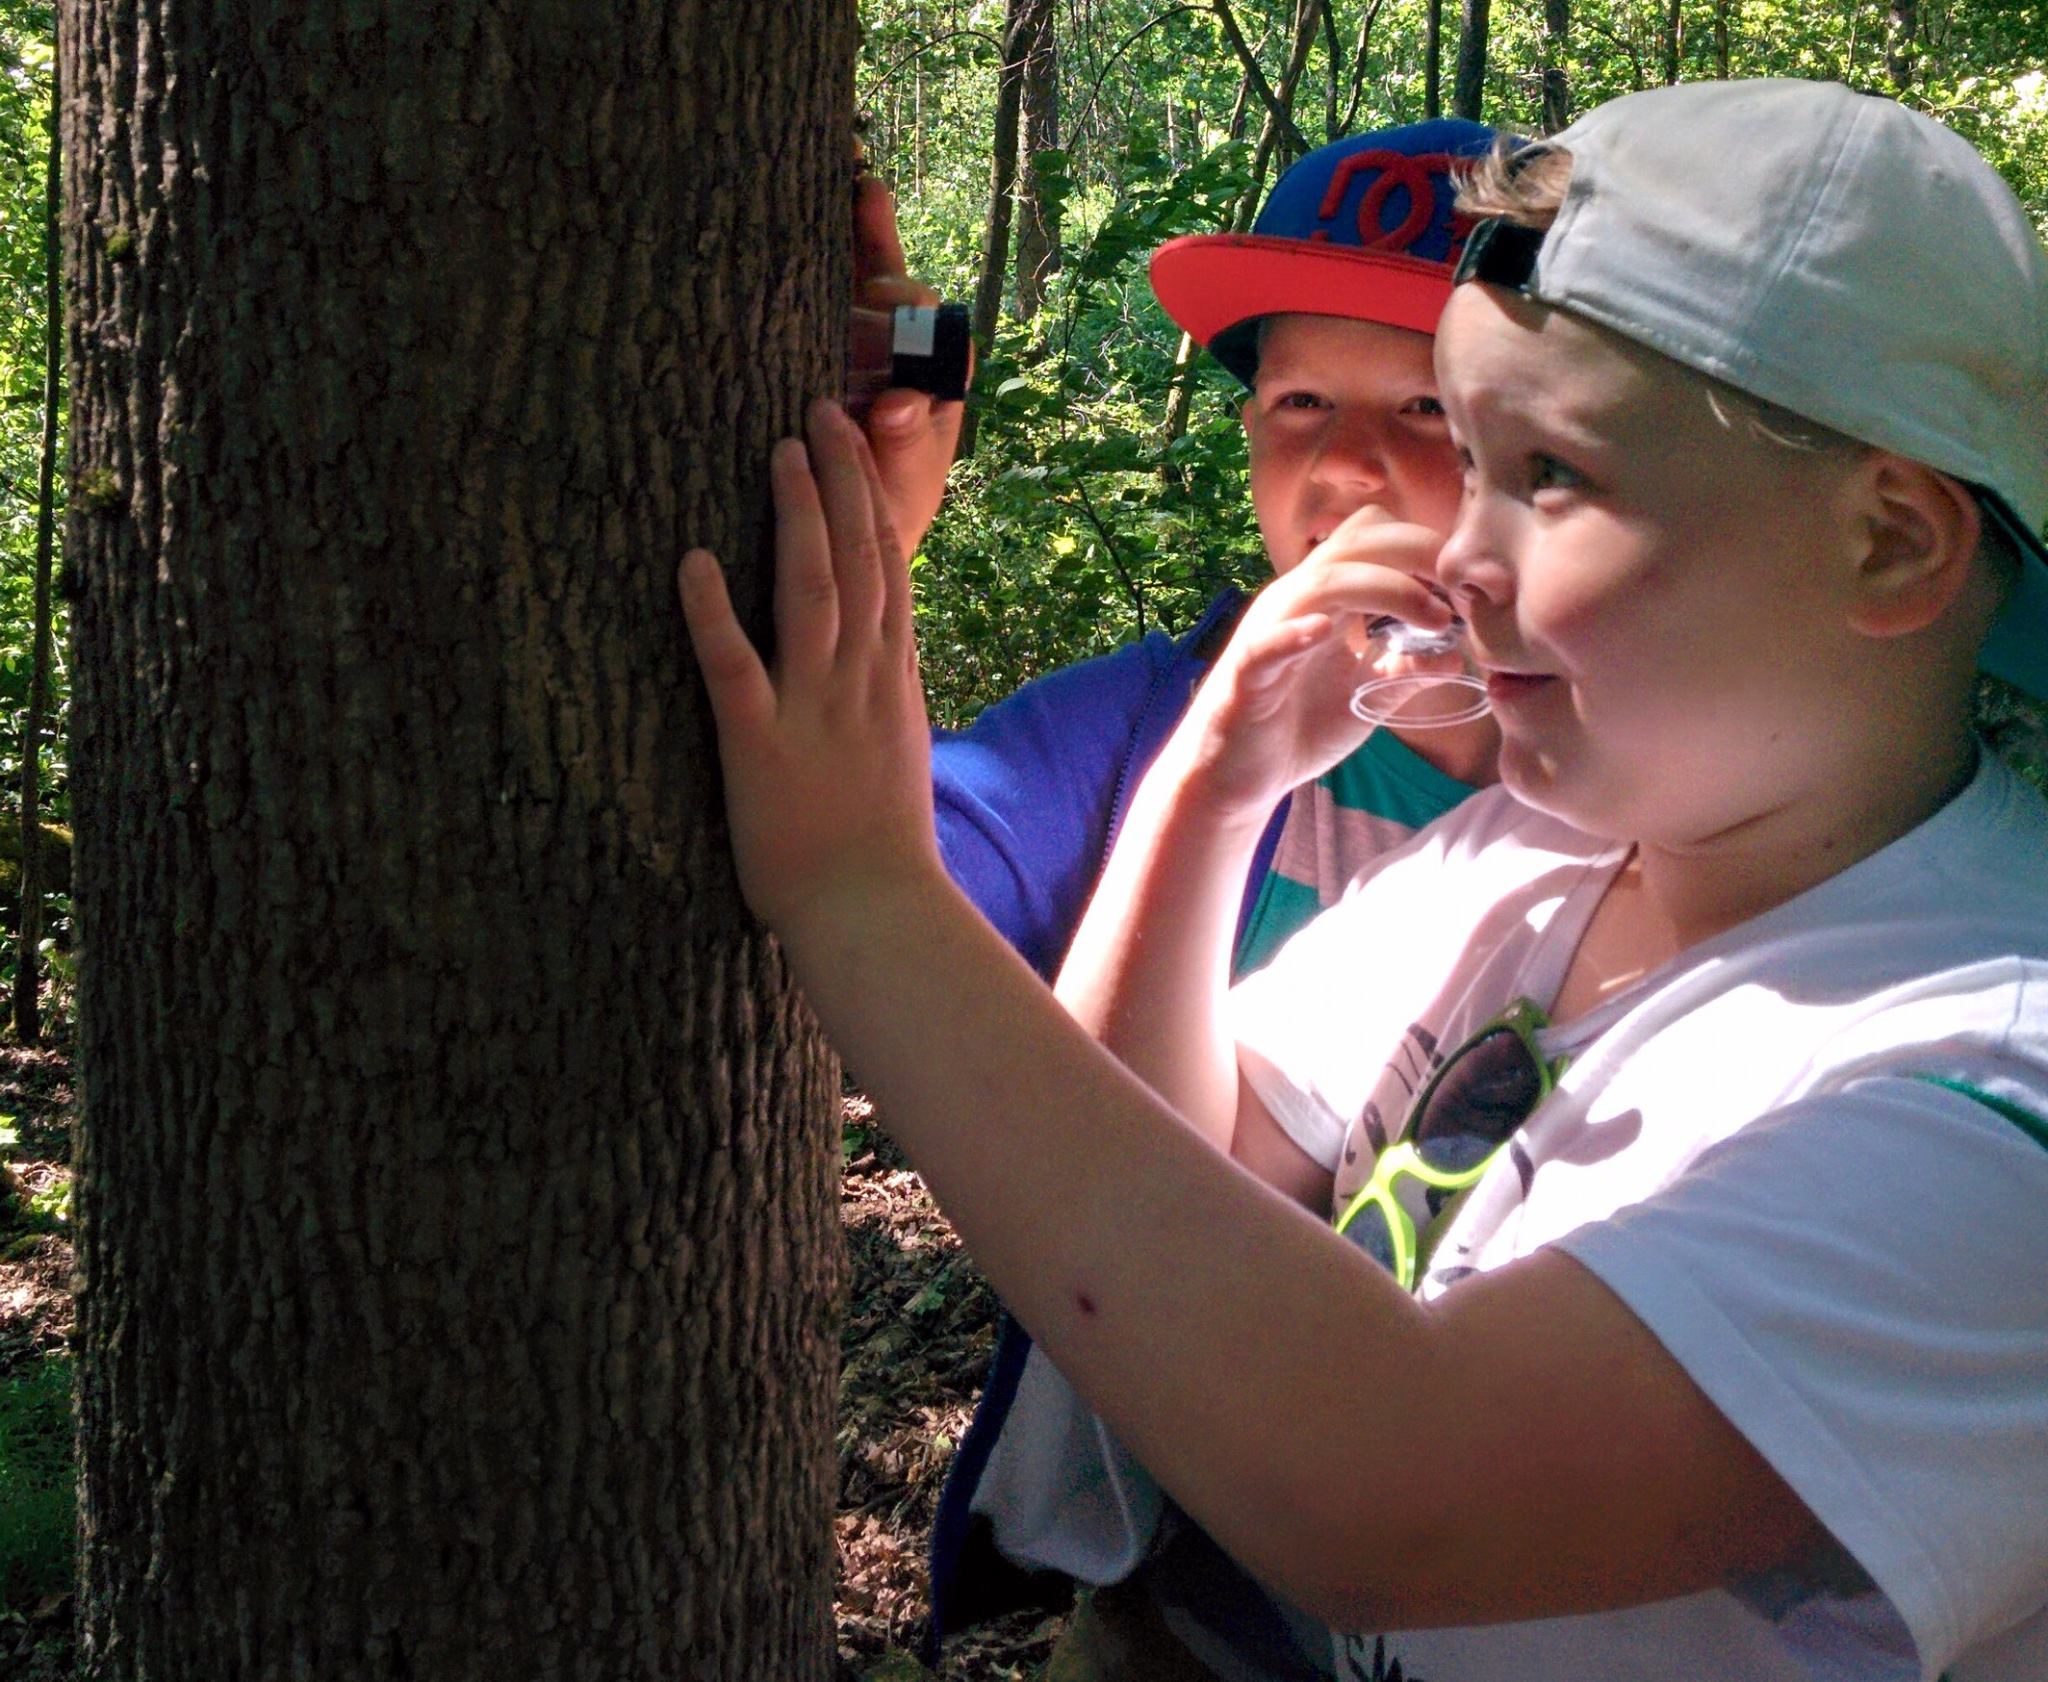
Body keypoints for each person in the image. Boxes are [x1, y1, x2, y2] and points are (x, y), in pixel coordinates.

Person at [680, 75, 2048, 1682]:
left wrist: (861, 893)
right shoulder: (1535, 857)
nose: (1459, 548)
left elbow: (1387, 1480)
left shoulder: (1985, 1078)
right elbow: (1159, 1188)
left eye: (1550, 474)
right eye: (1476, 456)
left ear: (1890, 543)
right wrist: (1217, 778)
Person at [862, 121, 1504, 1656]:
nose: (1344, 464)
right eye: (1298, 402)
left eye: (1429, 403)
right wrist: (874, 548)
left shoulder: (1667, 791)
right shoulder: (1153, 729)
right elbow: (864, 886)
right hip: (1191, 1615)